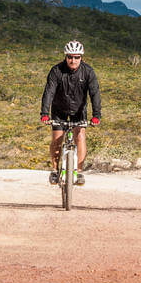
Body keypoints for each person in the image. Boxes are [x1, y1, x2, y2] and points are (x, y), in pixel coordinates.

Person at [40, 40, 102, 186]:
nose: (73, 60)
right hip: (59, 109)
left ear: (81, 57)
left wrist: (96, 115)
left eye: (76, 57)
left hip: (79, 111)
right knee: (57, 139)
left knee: (80, 137)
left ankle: (79, 172)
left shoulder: (88, 72)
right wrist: (44, 113)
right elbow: (48, 92)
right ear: (65, 56)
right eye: (70, 57)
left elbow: (95, 93)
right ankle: (55, 170)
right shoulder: (56, 71)